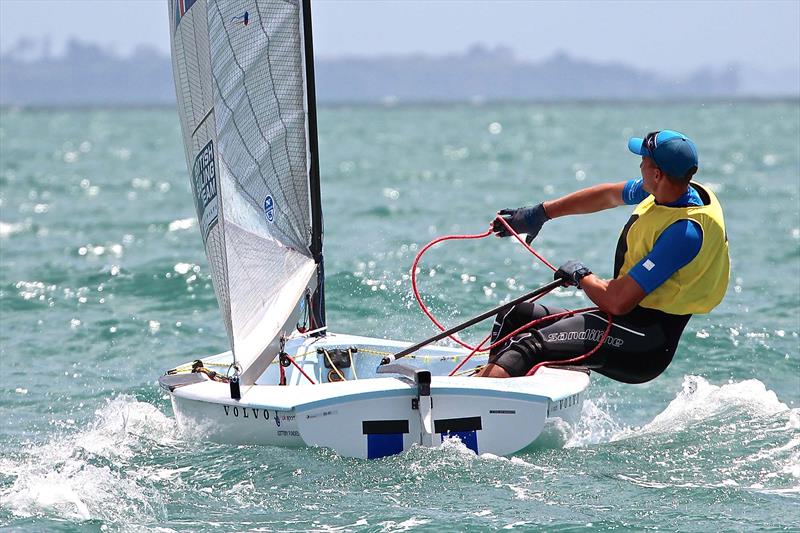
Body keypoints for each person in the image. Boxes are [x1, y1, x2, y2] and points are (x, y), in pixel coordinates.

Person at [477, 130, 729, 383]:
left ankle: (480, 403)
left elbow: (618, 301)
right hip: (618, 322)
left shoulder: (684, 233)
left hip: (642, 344)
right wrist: (540, 214)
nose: (640, 164)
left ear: (657, 174)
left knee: (528, 347)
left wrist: (581, 275)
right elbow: (606, 196)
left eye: (644, 160)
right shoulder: (668, 190)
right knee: (515, 315)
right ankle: (502, 397)